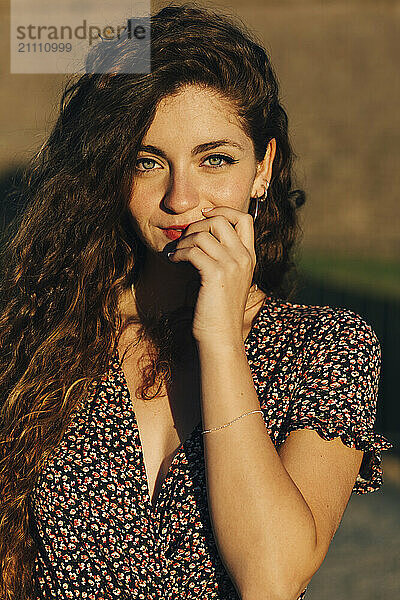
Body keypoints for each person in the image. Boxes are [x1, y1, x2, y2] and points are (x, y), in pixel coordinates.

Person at [0, 3, 393, 599]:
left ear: (264, 168)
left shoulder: (327, 349)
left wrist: (219, 338)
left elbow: (271, 578)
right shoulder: (41, 333)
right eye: (147, 161)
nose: (181, 199)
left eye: (215, 160)